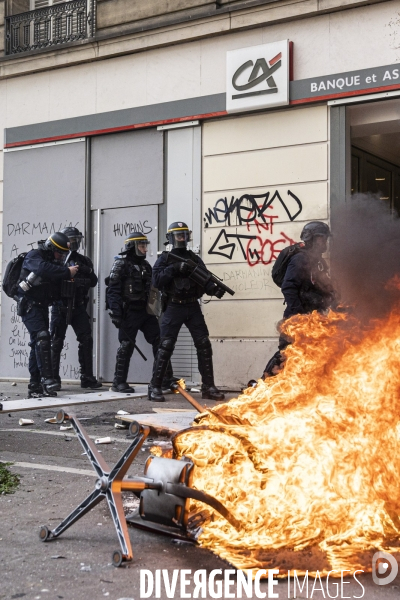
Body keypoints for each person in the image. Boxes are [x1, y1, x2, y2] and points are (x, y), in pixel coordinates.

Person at [148, 221, 225, 403]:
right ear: (171, 238)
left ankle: (208, 387)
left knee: (204, 345)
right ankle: (155, 386)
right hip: (174, 307)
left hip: (192, 306)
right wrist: (174, 269)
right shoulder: (165, 259)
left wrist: (213, 289)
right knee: (165, 346)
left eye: (184, 235)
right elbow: (157, 281)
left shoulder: (194, 258)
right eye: (178, 235)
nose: (181, 238)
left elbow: (204, 280)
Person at [263, 221, 337, 377]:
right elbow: (288, 287)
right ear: (311, 238)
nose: (325, 243)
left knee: (310, 352)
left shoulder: (317, 261)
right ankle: (263, 384)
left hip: (312, 314)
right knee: (287, 353)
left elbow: (321, 286)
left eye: (325, 239)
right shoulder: (300, 259)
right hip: (298, 315)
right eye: (321, 238)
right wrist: (297, 316)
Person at [106, 232, 174, 394]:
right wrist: (116, 312)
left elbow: (153, 290)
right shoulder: (120, 265)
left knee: (159, 342)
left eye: (145, 246)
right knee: (126, 345)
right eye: (141, 246)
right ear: (132, 247)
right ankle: (118, 382)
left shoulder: (146, 266)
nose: (144, 249)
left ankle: (164, 378)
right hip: (128, 312)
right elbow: (112, 290)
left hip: (146, 312)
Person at [17, 232, 79, 397]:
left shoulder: (54, 262)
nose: (61, 257)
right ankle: (48, 380)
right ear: (51, 248)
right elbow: (42, 269)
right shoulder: (34, 256)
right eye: (59, 253)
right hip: (29, 306)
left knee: (36, 342)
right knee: (42, 337)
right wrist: (66, 271)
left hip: (42, 306)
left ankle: (35, 384)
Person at [50, 227, 102, 391]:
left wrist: (87, 272)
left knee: (86, 339)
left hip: (78, 306)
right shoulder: (57, 258)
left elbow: (93, 281)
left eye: (77, 240)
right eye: (72, 241)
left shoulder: (83, 260)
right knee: (56, 342)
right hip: (60, 306)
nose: (75, 244)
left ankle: (87, 377)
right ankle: (53, 378)